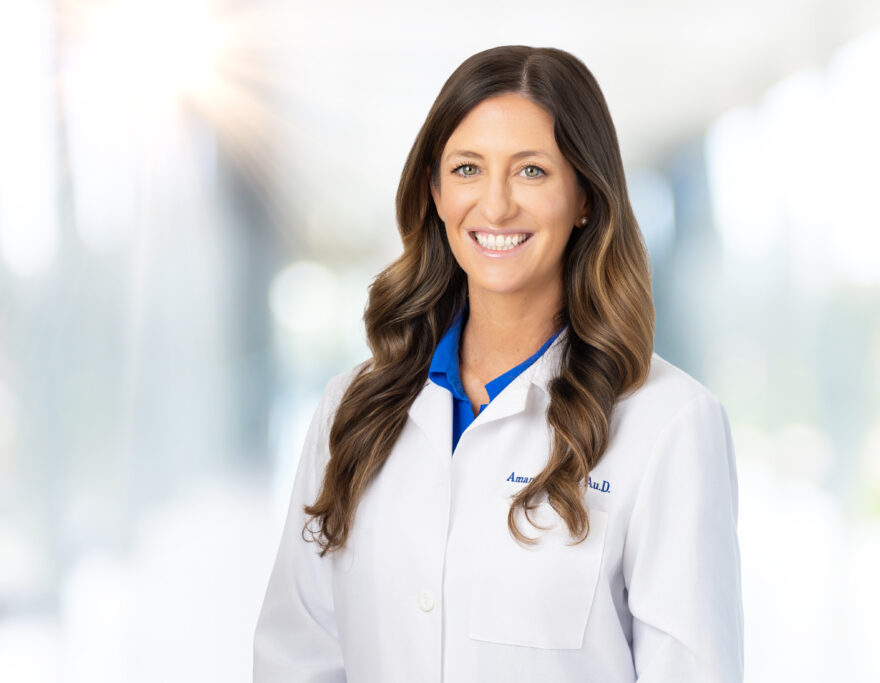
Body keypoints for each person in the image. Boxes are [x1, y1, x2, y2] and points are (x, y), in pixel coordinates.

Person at [253, 45, 744, 682]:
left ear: (586, 197)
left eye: (531, 171)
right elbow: (299, 654)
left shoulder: (669, 423)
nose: (495, 205)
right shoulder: (355, 408)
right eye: (466, 169)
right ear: (433, 191)